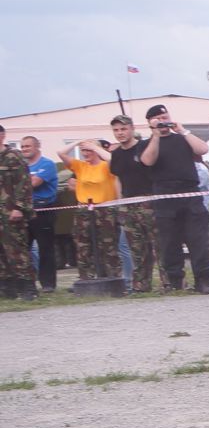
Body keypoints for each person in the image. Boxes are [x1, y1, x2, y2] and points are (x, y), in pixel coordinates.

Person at [137, 104, 209, 293]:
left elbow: (203, 149)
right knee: (170, 243)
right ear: (150, 122)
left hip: (189, 193)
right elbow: (148, 160)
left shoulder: (182, 138)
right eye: (158, 118)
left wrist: (182, 130)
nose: (163, 120)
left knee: (198, 241)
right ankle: (175, 282)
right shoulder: (146, 143)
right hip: (164, 196)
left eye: (165, 116)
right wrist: (156, 135)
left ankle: (203, 281)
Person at [105, 115, 156, 293]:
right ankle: (141, 285)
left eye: (123, 129)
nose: (120, 133)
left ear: (132, 128)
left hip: (148, 201)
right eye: (116, 130)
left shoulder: (143, 146)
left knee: (157, 245)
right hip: (128, 204)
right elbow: (118, 178)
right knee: (136, 247)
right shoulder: (117, 154)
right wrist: (121, 202)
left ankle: (169, 283)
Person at [59, 138, 120, 284]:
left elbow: (112, 158)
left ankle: (112, 276)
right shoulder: (80, 166)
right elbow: (61, 153)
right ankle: (86, 277)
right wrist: (78, 142)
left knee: (107, 244)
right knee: (83, 244)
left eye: (89, 150)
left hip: (105, 208)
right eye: (83, 151)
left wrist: (95, 147)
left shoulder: (106, 166)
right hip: (84, 209)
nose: (86, 153)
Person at [16, 137, 59, 292]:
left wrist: (15, 182)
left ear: (37, 147)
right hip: (23, 211)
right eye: (22, 146)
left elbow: (32, 183)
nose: (24, 149)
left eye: (28, 146)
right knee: (21, 249)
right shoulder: (20, 166)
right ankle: (26, 283)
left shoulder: (47, 164)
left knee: (45, 248)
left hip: (43, 210)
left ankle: (48, 284)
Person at [0, 127, 36, 300]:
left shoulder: (13, 156)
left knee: (17, 250)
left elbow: (24, 183)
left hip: (11, 212)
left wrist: (20, 207)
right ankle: (7, 288)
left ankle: (28, 287)